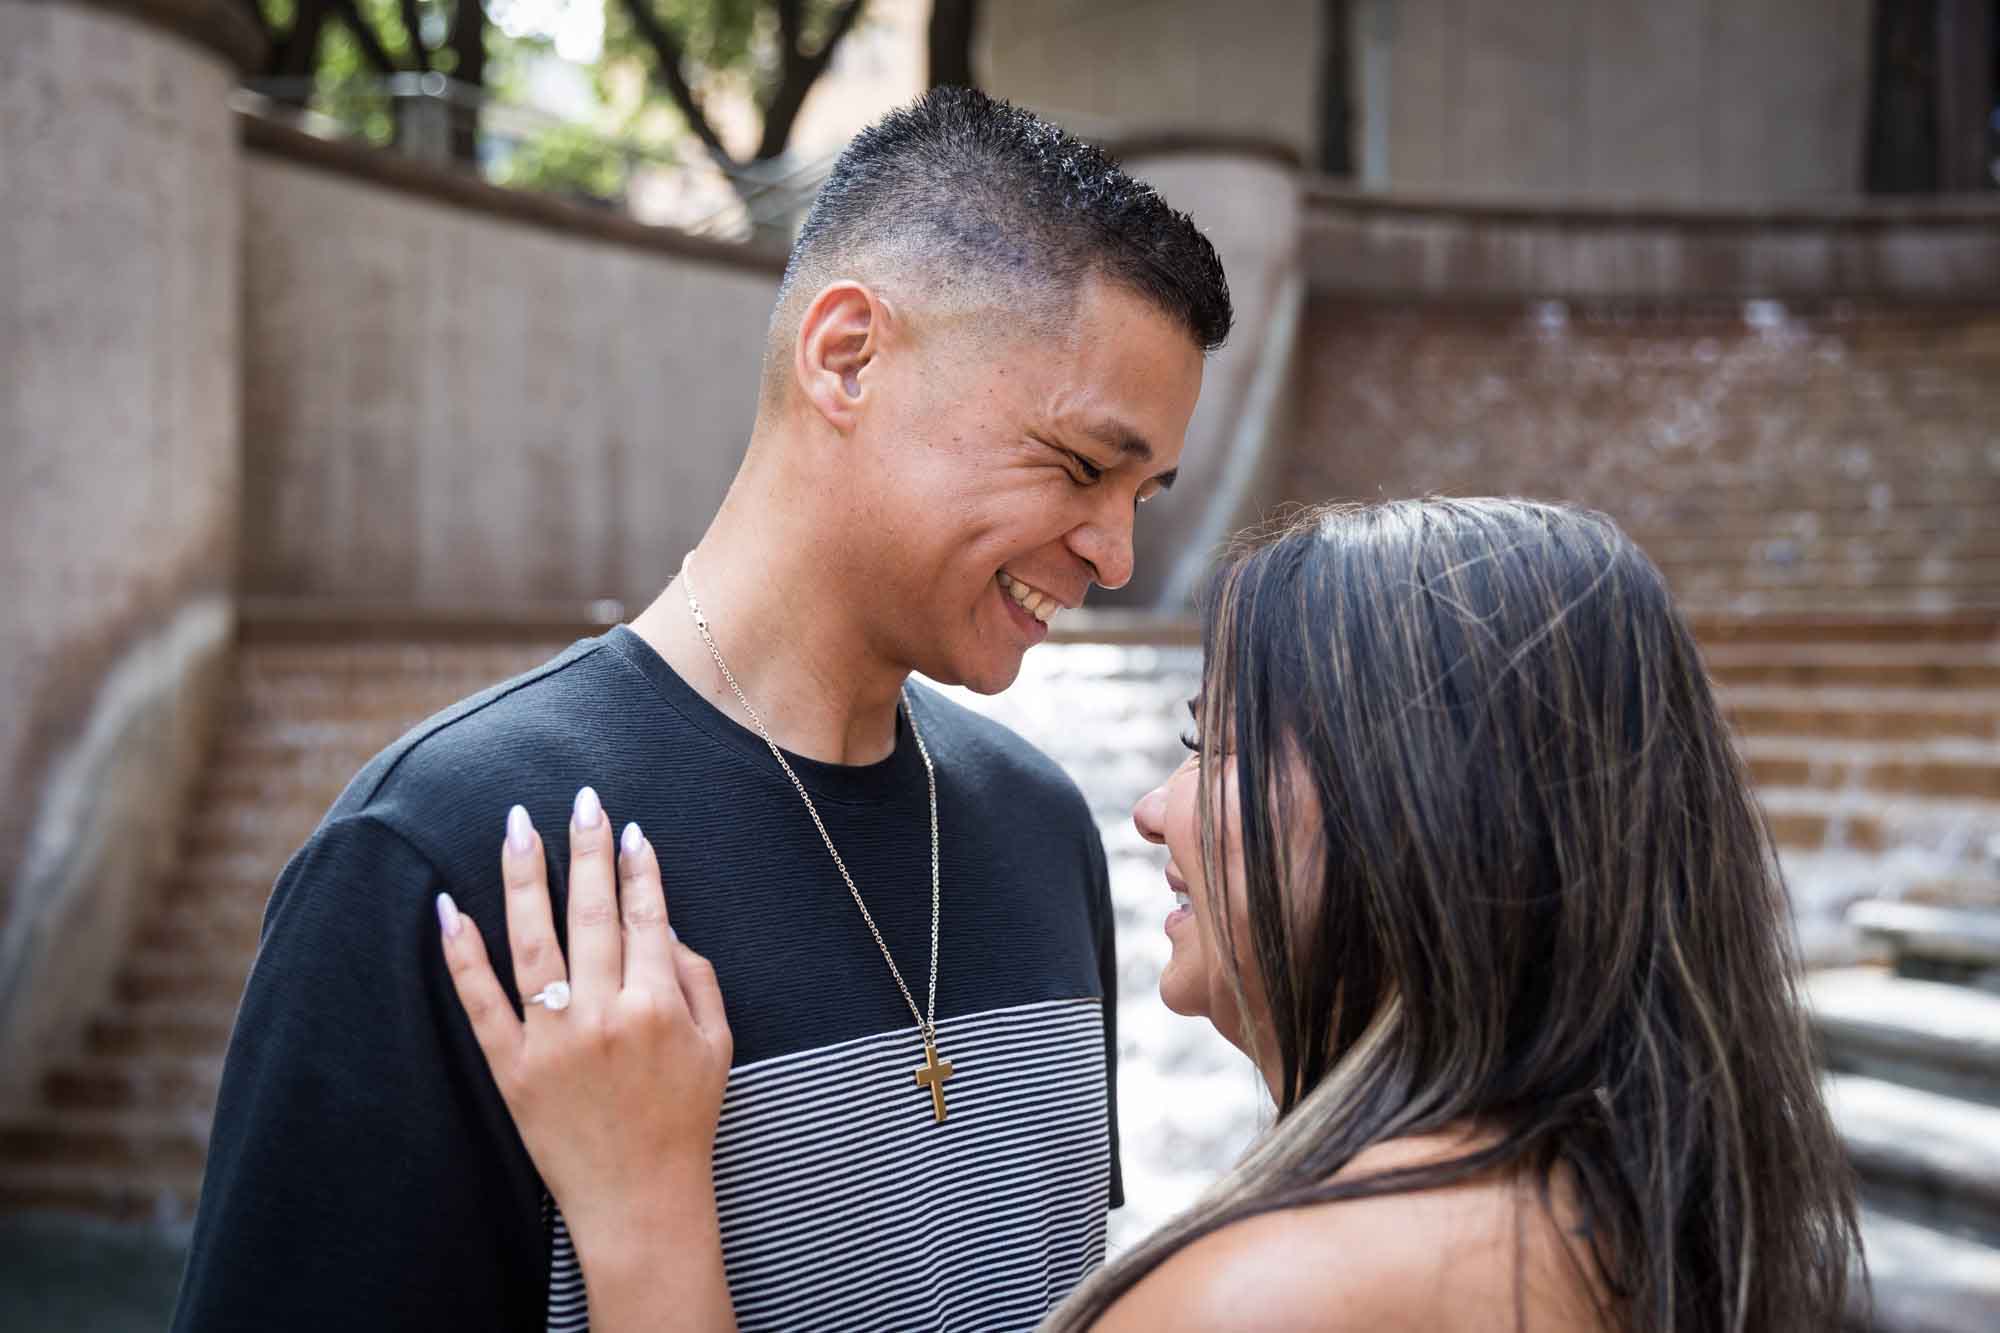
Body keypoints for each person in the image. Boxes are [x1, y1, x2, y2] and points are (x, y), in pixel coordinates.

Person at [171, 88, 1231, 1332]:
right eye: (1078, 465)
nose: (1113, 554)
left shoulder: (1041, 827)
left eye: (1144, 494)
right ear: (847, 357)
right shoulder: (443, 854)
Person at [442, 498, 1865, 1332]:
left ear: (1421, 813)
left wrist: (641, 1228)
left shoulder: (1275, 1300)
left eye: (1222, 742)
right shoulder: (1638, 1198)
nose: (1156, 808)